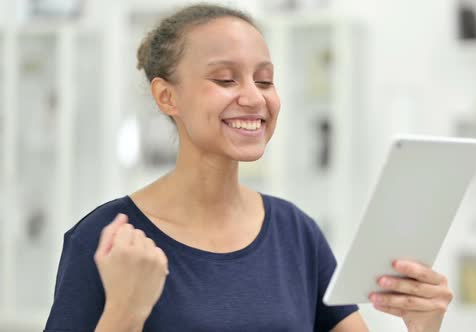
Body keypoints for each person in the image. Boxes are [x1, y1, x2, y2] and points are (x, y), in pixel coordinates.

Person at [44, 3, 453, 332]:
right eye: (225, 80)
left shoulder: (296, 233)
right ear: (167, 97)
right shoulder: (105, 240)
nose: (254, 98)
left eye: (264, 80)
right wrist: (126, 312)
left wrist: (423, 326)